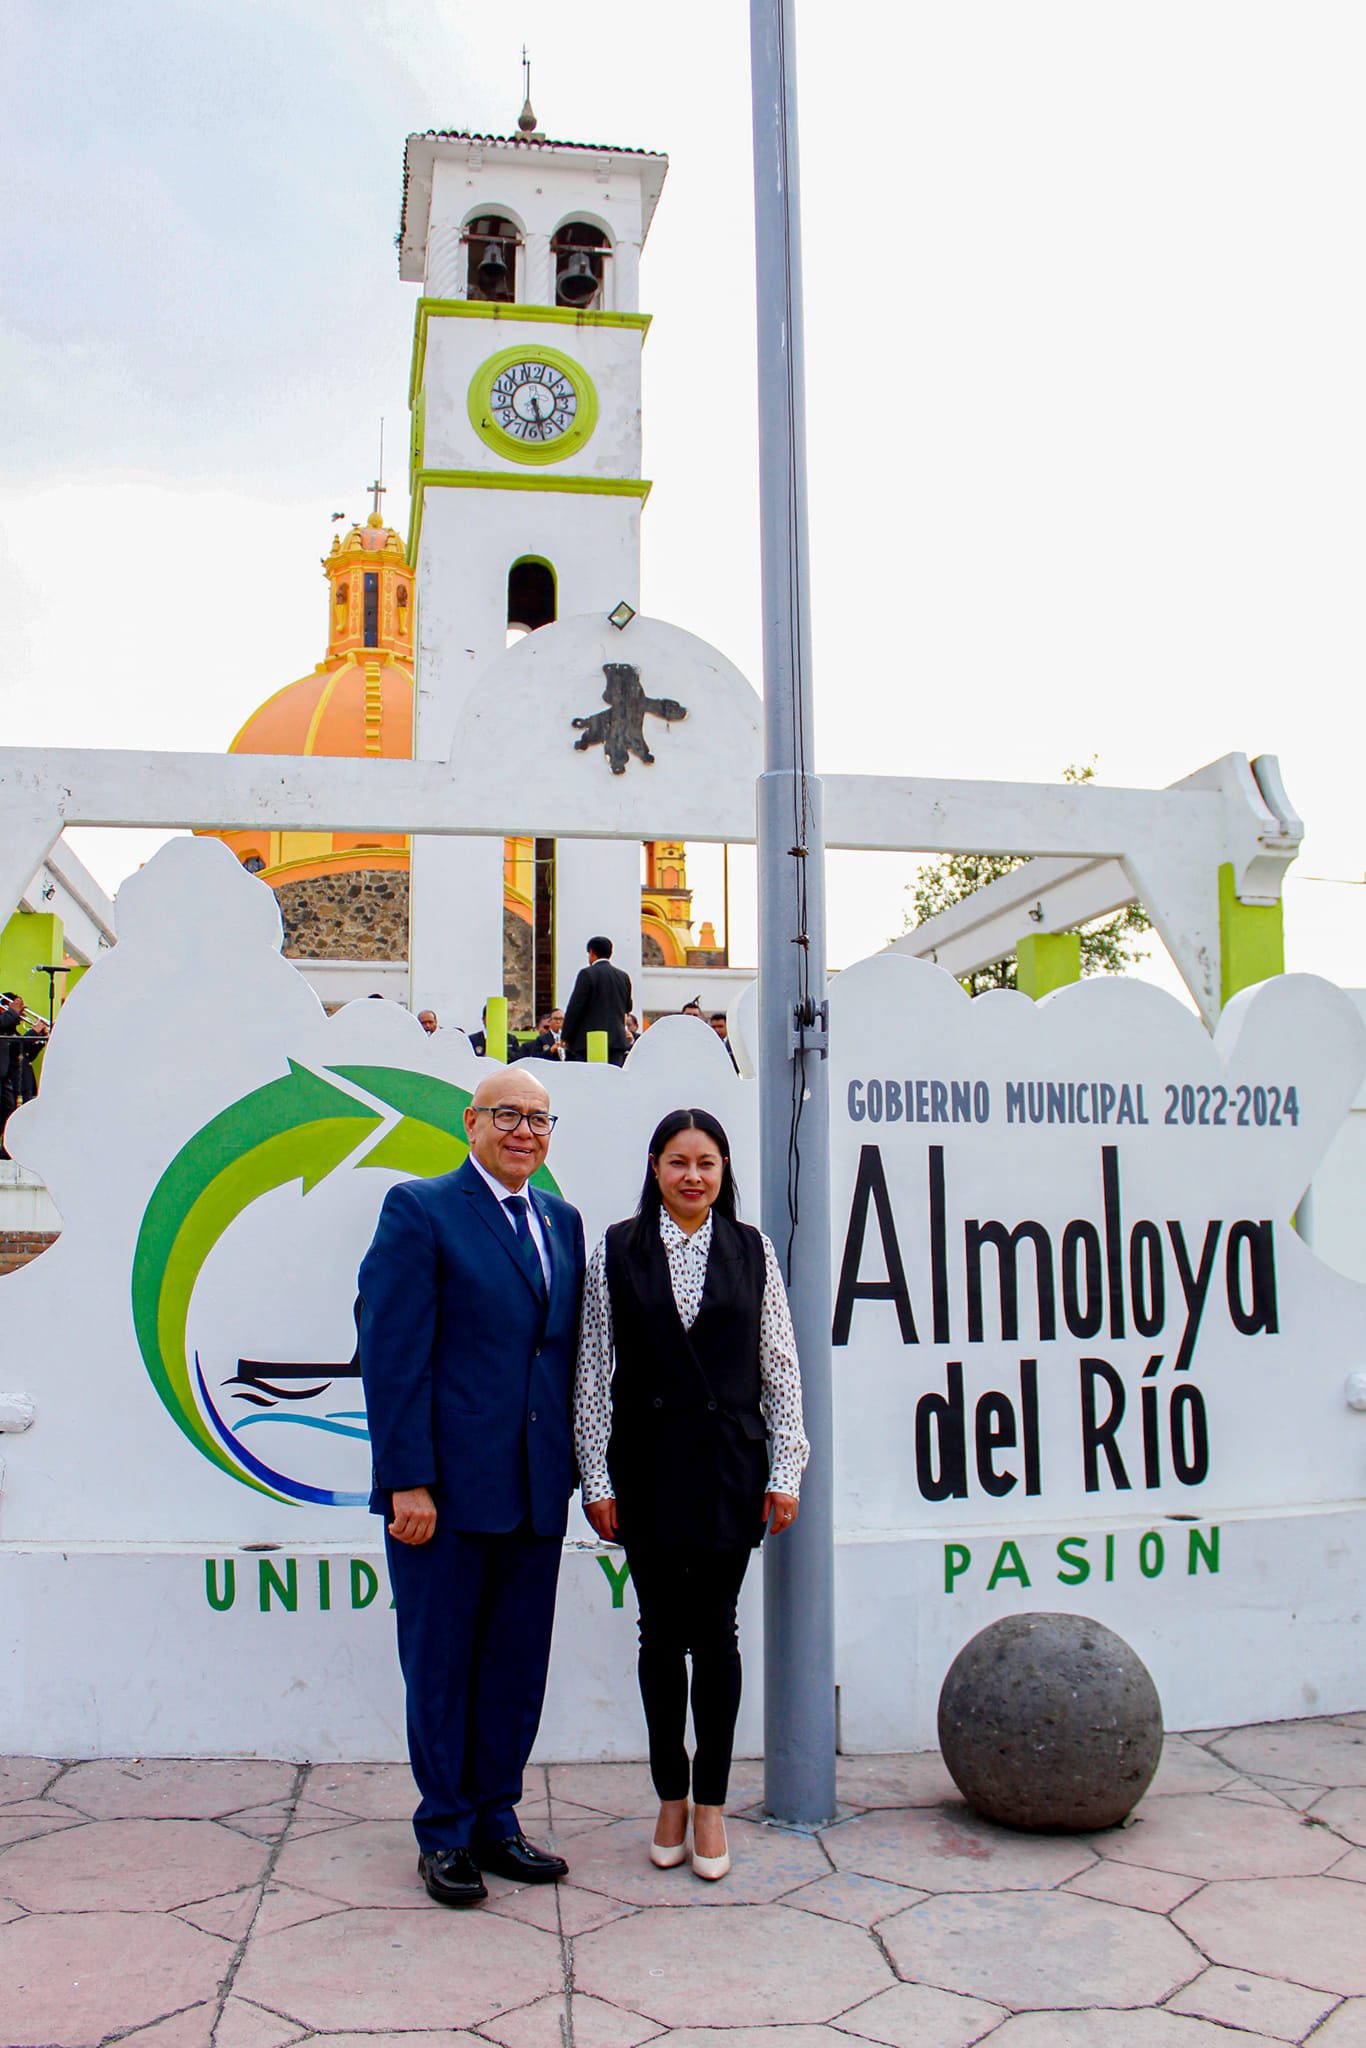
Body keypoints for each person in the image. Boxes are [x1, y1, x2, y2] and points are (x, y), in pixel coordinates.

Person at [358, 1065, 586, 1908]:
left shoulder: (563, 1221)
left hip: (534, 1491)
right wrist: (407, 1482)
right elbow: (391, 1355)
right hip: (443, 1498)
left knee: (514, 1666)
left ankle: (497, 1817)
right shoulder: (419, 1210)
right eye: (507, 1116)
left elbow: (559, 1359)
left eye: (539, 1118)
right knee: (442, 1665)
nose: (525, 1131)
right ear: (471, 1124)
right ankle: (446, 1830)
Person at [574, 1108, 808, 1881]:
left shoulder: (751, 1248)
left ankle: (710, 1804)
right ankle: (668, 1794)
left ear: (723, 1170)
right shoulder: (616, 1248)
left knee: (717, 1636)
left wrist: (787, 1469)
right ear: (654, 1167)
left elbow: (779, 1362)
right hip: (646, 1466)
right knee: (656, 1635)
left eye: (707, 1162)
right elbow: (593, 1369)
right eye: (678, 1162)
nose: (693, 1176)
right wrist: (596, 1476)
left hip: (727, 1469)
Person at [562, 937, 632, 1066]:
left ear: (591, 952)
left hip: (589, 1041)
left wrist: (565, 1035)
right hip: (616, 1040)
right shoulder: (623, 976)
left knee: (590, 1081)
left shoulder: (587, 974)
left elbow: (576, 1007)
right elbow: (628, 1006)